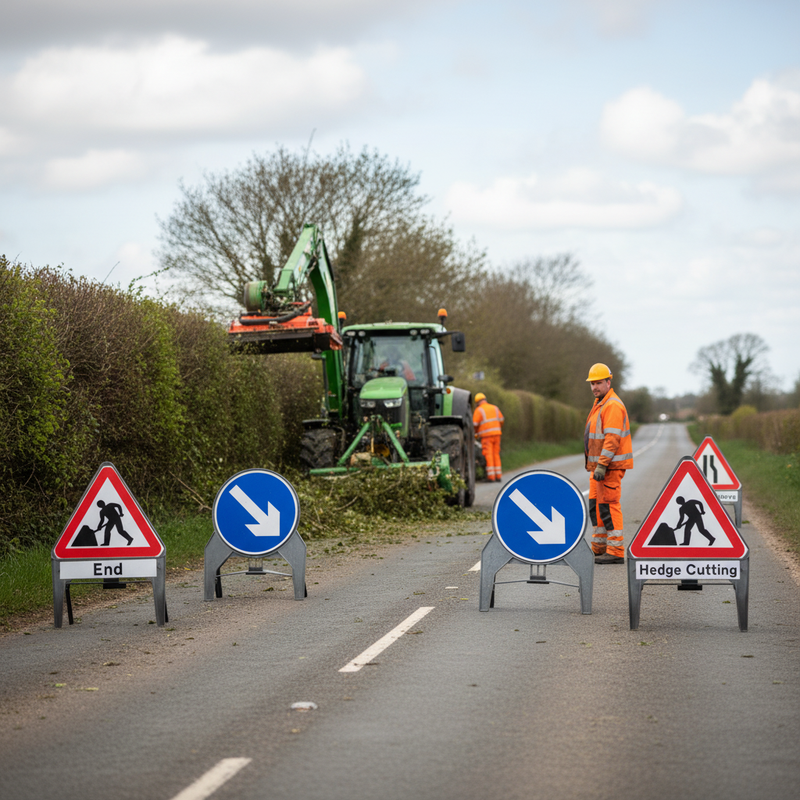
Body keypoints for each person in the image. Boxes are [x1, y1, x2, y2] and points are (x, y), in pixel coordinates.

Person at [584, 363, 633, 564]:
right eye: (592, 383)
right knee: (596, 505)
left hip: (609, 468)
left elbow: (612, 438)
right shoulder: (601, 403)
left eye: (598, 383)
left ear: (608, 382)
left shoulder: (612, 405)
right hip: (599, 468)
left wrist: (603, 465)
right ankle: (599, 547)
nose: (595, 387)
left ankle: (615, 551)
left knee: (609, 506)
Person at [473, 392, 504, 482]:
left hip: (486, 436)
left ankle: (491, 477)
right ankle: (498, 476)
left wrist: (476, 434)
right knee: (496, 454)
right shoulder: (495, 408)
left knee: (488, 454)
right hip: (497, 434)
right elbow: (501, 420)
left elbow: (474, 424)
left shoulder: (479, 410)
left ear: (477, 402)